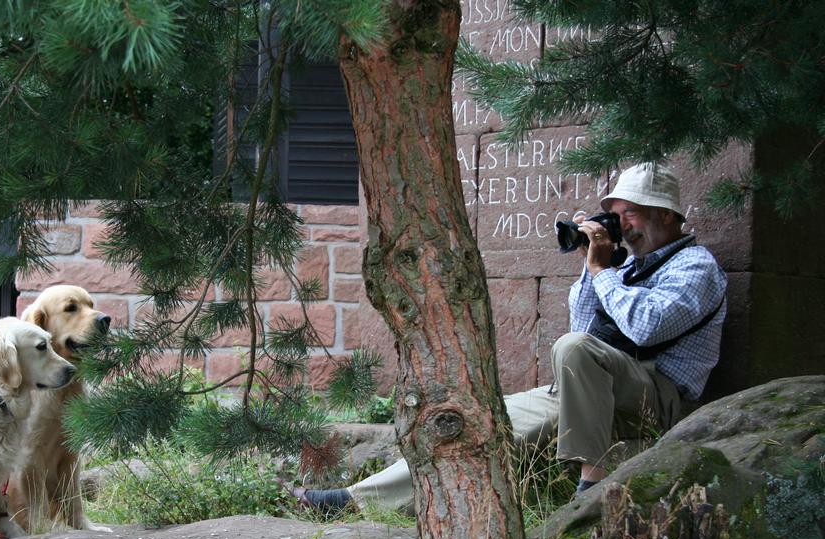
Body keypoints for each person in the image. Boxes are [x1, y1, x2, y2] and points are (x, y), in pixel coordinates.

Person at [285, 163, 728, 514]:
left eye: (630, 213)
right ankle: (353, 500)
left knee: (571, 348)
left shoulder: (696, 266)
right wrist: (592, 264)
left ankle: (590, 485)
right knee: (480, 422)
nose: (622, 225)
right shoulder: (624, 266)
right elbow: (584, 325)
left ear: (665, 215)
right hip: (590, 389)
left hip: (658, 398)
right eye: (616, 214)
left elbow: (646, 327)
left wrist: (601, 272)